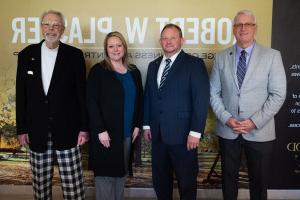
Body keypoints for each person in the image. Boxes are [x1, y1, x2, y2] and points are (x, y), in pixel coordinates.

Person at [210, 10, 287, 200]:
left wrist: (254, 121)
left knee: (259, 183)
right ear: (234, 29)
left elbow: (278, 94)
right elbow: (213, 92)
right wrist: (227, 118)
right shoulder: (221, 57)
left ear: (255, 28)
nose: (243, 28)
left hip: (260, 131)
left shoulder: (272, 56)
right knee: (228, 181)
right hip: (229, 130)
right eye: (238, 25)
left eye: (247, 24)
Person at [16, 10, 88, 200]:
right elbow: (21, 95)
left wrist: (84, 128)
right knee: (41, 188)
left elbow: (81, 94)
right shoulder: (26, 55)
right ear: (41, 27)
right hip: (36, 131)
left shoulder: (74, 55)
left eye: (56, 25)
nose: (51, 29)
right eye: (47, 24)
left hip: (68, 130)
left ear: (63, 29)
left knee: (73, 188)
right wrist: (21, 128)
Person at [143, 24, 210, 200]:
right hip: (157, 135)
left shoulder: (194, 64)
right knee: (160, 181)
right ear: (160, 42)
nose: (169, 41)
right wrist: (147, 124)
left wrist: (195, 132)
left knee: (186, 182)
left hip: (184, 135)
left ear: (181, 40)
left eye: (173, 38)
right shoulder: (153, 65)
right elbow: (149, 97)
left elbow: (201, 100)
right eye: (165, 38)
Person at [86, 31, 143, 200]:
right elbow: (91, 103)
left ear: (124, 48)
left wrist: (138, 125)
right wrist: (100, 130)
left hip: (127, 134)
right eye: (111, 46)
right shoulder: (98, 71)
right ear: (106, 49)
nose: (115, 49)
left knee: (121, 174)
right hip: (106, 134)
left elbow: (140, 101)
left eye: (119, 45)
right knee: (105, 176)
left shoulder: (134, 72)